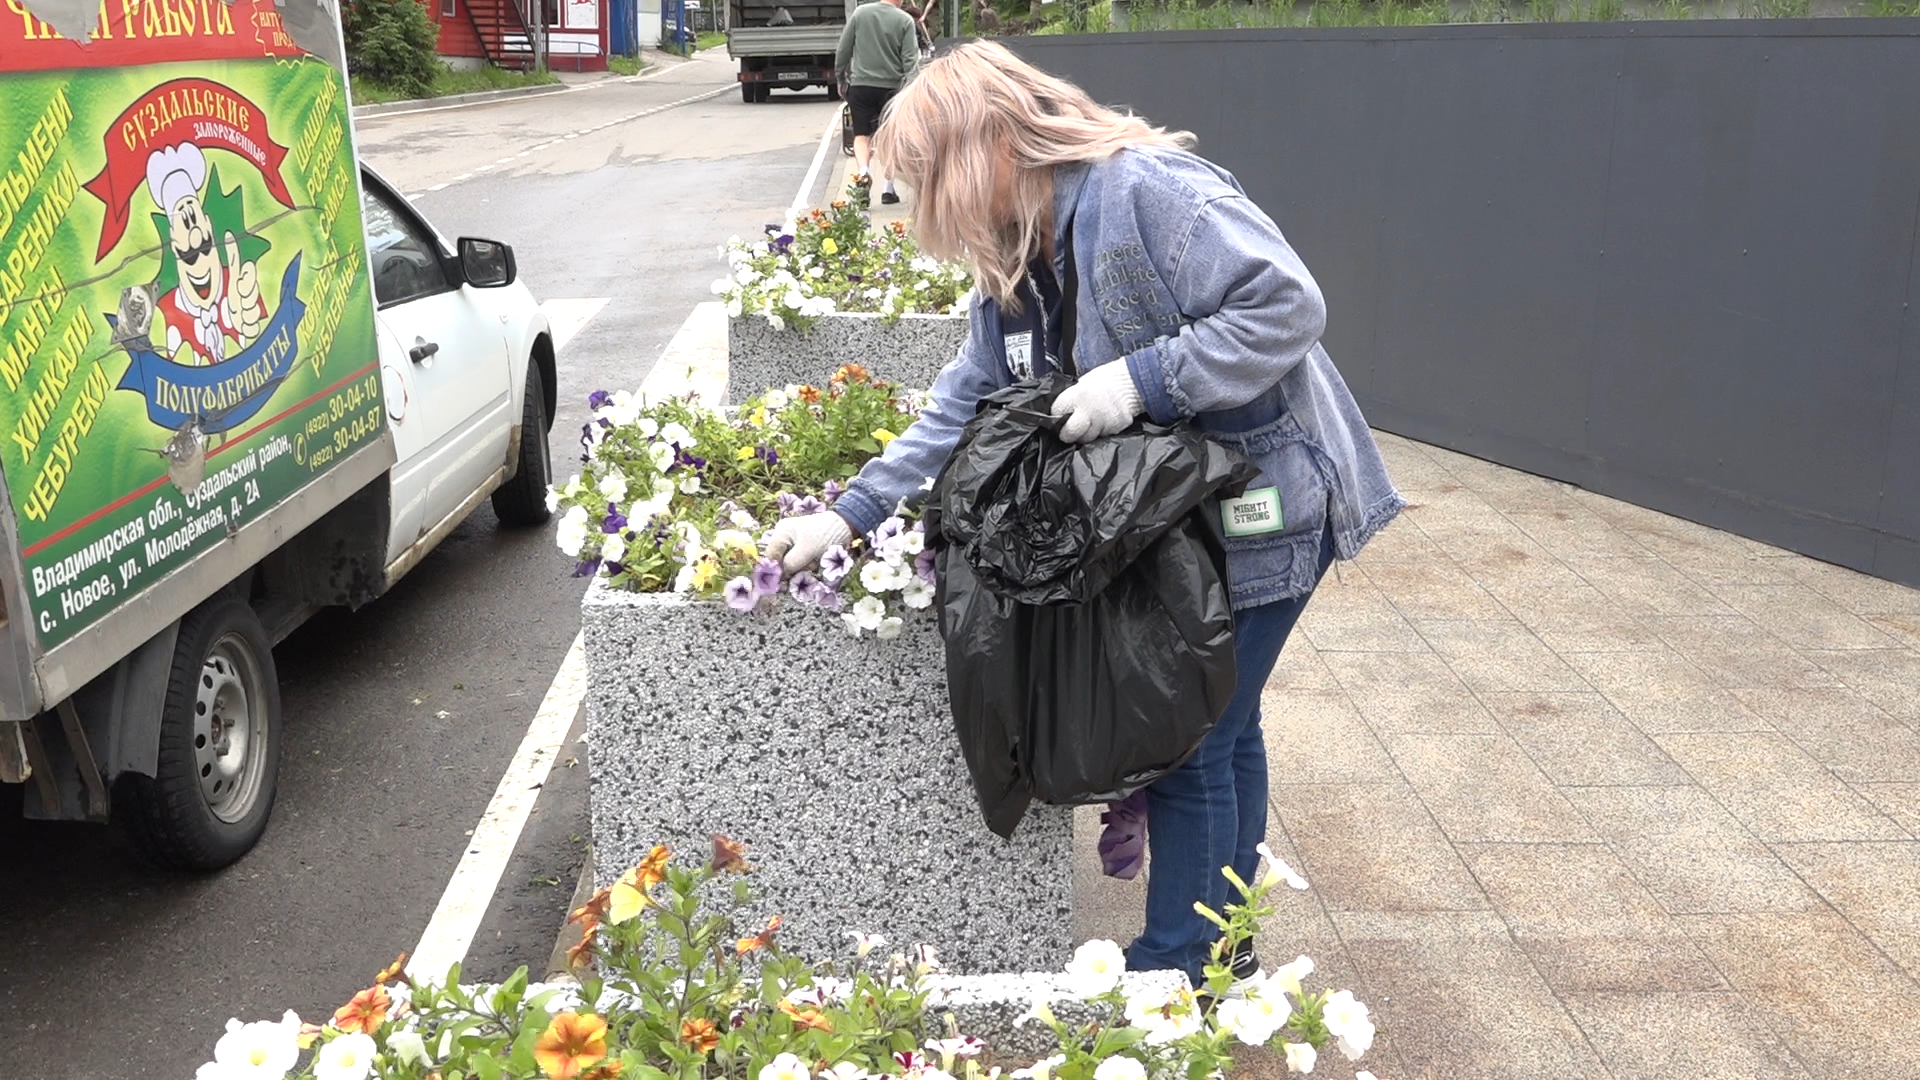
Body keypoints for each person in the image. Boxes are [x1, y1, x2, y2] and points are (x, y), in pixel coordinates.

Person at [764, 42, 1403, 990]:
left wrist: (1140, 381)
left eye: (926, 177)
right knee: (1228, 726)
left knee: (1190, 740)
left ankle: (1170, 976)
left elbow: (1285, 305)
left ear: (985, 148)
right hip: (1189, 521)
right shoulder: (1022, 247)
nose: (921, 204)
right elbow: (969, 395)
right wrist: (853, 512)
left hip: (1266, 505)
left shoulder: (1147, 190)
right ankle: (1225, 948)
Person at [834, 0, 920, 206]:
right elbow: (910, 61)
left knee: (862, 136)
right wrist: (913, 89)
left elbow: (843, 49)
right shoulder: (905, 20)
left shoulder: (860, 14)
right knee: (890, 137)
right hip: (892, 88)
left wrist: (840, 77)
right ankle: (888, 189)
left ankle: (863, 174)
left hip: (861, 86)